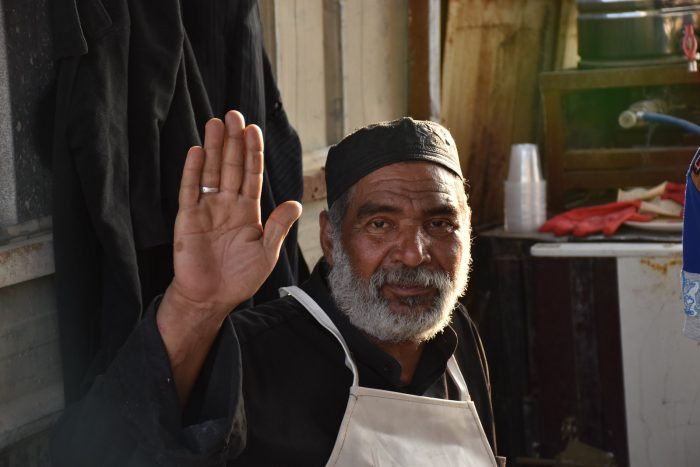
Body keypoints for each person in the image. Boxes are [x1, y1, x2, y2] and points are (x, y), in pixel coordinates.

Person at [52, 111, 502, 466]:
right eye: (380, 225)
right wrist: (195, 306)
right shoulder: (251, 354)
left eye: (440, 224)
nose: (414, 254)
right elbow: (90, 456)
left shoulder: (456, 336)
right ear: (330, 238)